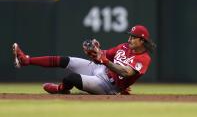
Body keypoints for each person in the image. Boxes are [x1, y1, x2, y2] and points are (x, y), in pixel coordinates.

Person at [12, 25, 156, 95]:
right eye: (129, 36)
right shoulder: (124, 46)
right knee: (66, 60)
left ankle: (60, 89)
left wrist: (104, 60)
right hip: (100, 70)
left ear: (142, 40)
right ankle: (26, 60)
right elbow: (104, 54)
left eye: (133, 37)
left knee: (71, 78)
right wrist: (95, 51)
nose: (129, 39)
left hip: (107, 86)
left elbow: (126, 72)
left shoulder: (143, 58)